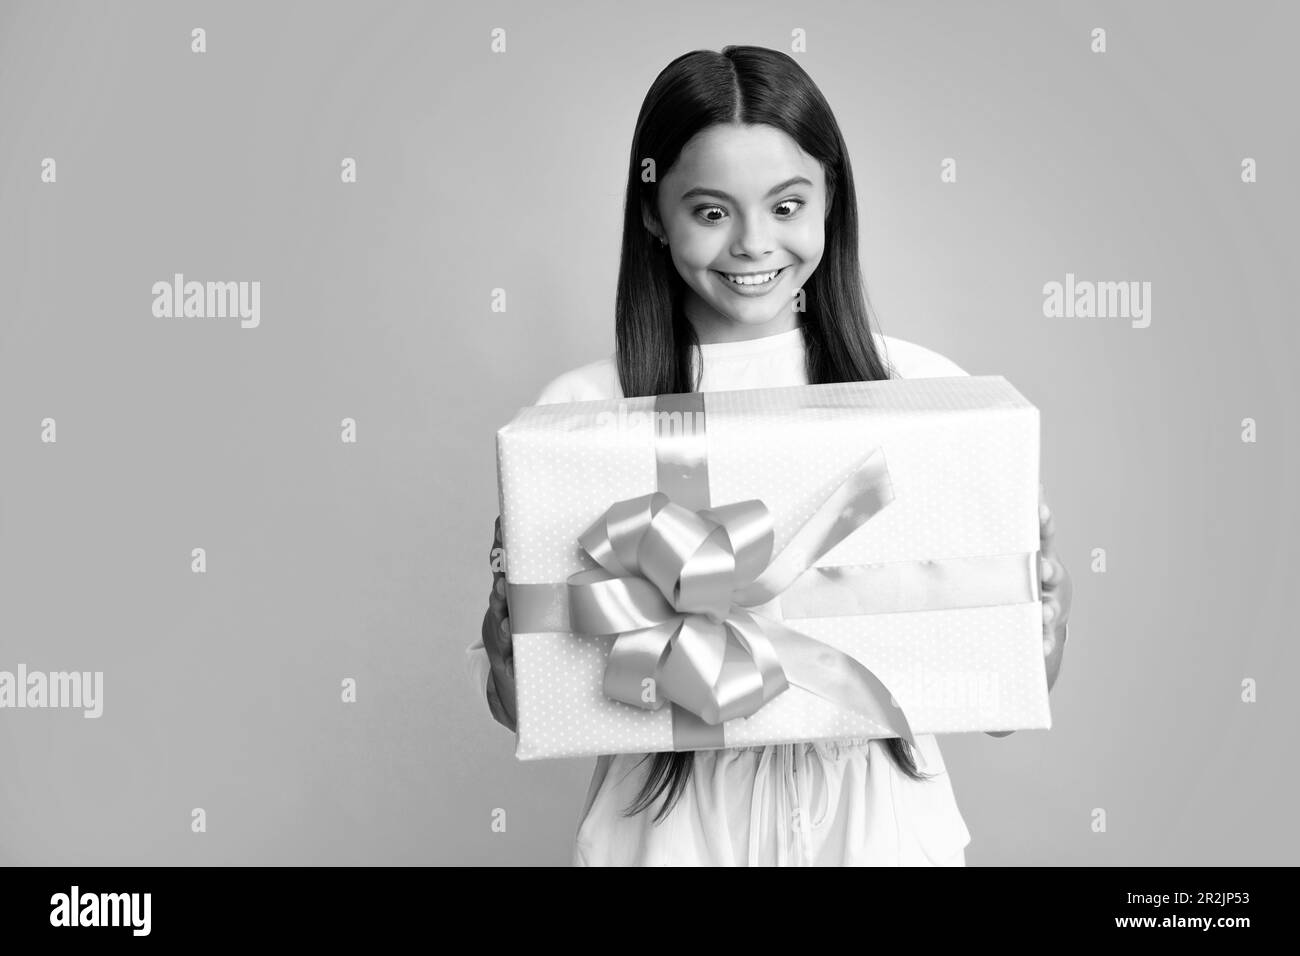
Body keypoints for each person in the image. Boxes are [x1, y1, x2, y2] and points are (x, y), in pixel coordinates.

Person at [468, 45, 1073, 865]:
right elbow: (528, 703)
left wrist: (1040, 620)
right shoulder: (580, 417)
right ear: (654, 215)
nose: (754, 244)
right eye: (712, 212)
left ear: (831, 199)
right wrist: (509, 638)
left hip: (878, 820)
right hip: (670, 828)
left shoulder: (926, 395)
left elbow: (999, 697)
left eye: (787, 206)